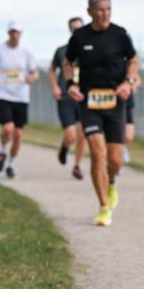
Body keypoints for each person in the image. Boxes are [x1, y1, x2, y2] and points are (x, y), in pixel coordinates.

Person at [64, 0, 140, 226]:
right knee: (97, 152)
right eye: (100, 10)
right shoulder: (80, 37)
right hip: (90, 102)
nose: (105, 14)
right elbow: (67, 63)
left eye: (108, 9)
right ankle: (103, 207)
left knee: (115, 159)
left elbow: (134, 60)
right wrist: (70, 84)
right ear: (90, 12)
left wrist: (128, 82)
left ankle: (112, 182)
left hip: (115, 101)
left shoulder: (120, 34)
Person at [0, 22, 38, 179]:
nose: (14, 35)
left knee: (18, 134)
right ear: (8, 33)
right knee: (8, 128)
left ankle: (11, 164)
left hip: (21, 96)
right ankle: (3, 151)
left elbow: (34, 72)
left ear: (21, 33)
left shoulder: (26, 52)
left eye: (17, 32)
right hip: (3, 94)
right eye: (12, 32)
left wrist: (32, 77)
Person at [49, 16, 86, 179]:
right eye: (74, 29)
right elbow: (51, 70)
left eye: (80, 28)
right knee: (71, 134)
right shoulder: (62, 51)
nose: (77, 31)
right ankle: (64, 147)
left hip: (83, 98)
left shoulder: (89, 49)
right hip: (65, 97)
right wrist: (55, 86)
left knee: (83, 134)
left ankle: (77, 166)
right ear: (70, 30)